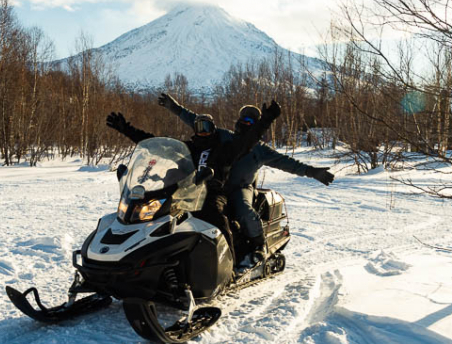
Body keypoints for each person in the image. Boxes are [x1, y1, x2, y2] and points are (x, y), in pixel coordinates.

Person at [158, 93, 334, 267]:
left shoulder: (260, 150)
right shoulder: (225, 136)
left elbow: (287, 163)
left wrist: (313, 172)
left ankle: (258, 245)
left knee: (243, 209)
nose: (244, 124)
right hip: (213, 186)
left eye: (249, 122)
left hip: (240, 187)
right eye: (243, 120)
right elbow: (197, 121)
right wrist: (173, 107)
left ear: (257, 126)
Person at [105, 100, 280, 261]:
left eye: (207, 127)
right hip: (184, 194)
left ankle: (229, 261)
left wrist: (266, 120)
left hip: (211, 194)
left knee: (217, 218)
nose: (203, 132)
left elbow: (247, 141)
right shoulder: (187, 149)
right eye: (199, 127)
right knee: (154, 220)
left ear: (214, 129)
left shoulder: (225, 149)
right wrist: (126, 129)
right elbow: (157, 146)